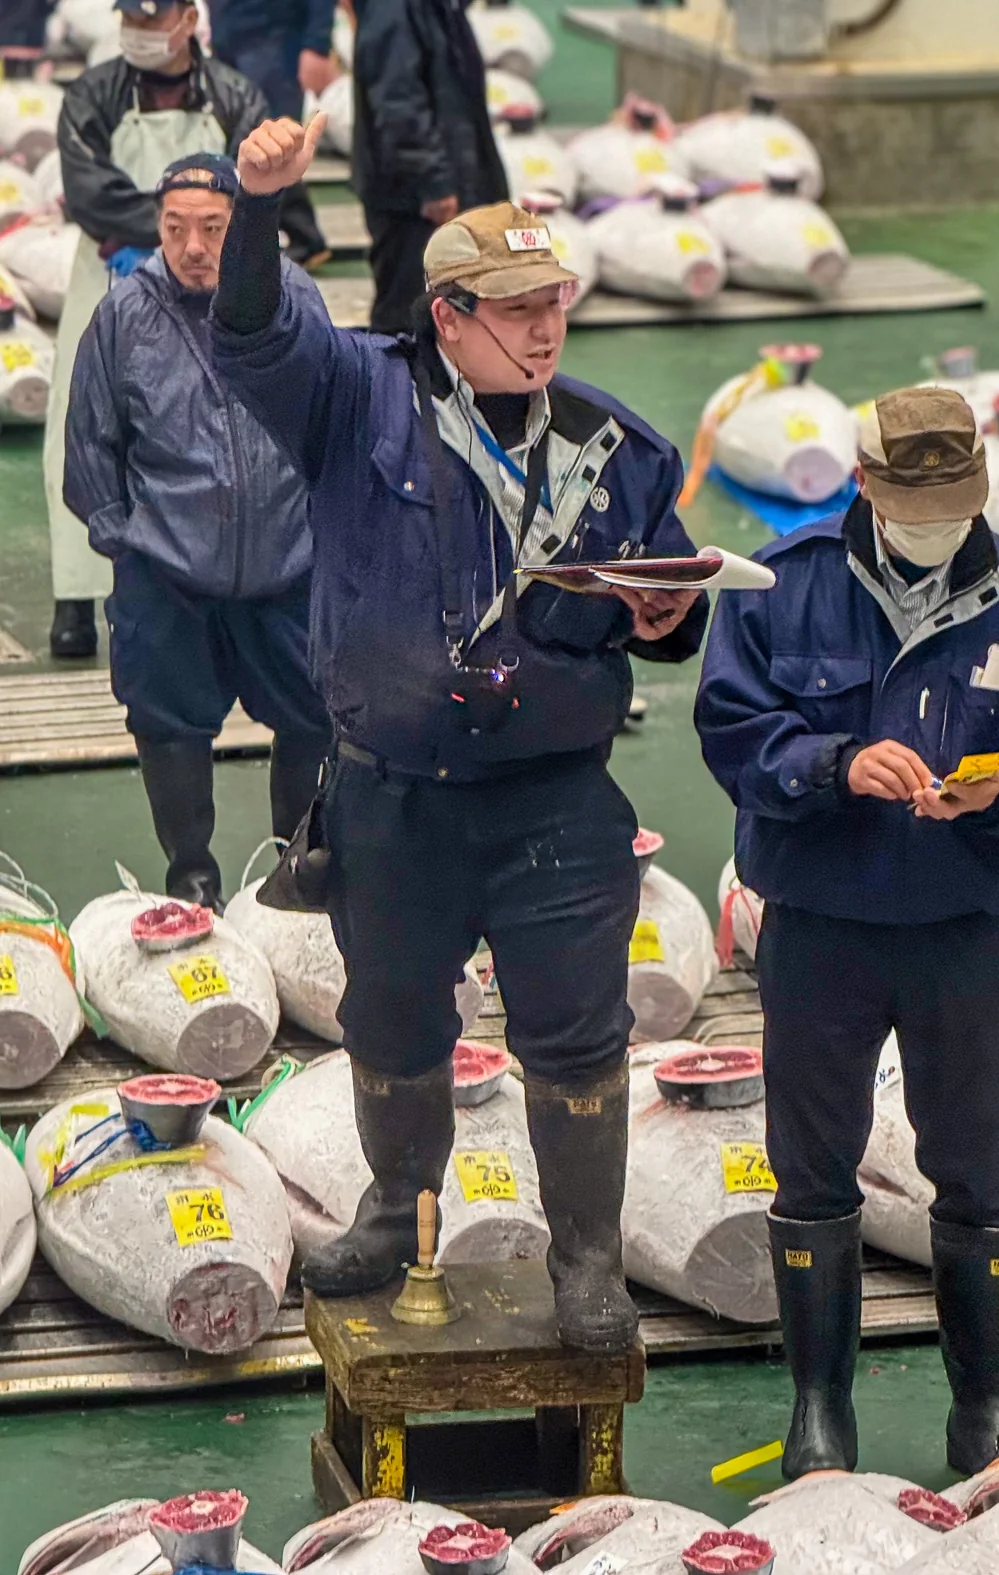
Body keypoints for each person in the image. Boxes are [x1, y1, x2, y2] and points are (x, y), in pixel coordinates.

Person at [210, 115, 708, 1353]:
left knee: (577, 1035)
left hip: (553, 804)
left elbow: (666, 620)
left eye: (555, 303)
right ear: (447, 317)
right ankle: (393, 1209)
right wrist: (260, 206)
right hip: (395, 795)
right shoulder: (350, 397)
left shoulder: (617, 449)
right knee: (390, 1019)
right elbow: (253, 335)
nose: (543, 328)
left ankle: (588, 1260)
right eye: (514, 307)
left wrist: (663, 619)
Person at [697, 386, 999, 1478]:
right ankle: (820, 1412)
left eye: (957, 502)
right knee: (812, 1170)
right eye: (918, 503)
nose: (941, 522)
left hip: (967, 927)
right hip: (821, 925)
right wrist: (832, 764)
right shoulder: (778, 586)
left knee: (977, 1171)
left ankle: (983, 1409)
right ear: (864, 485)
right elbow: (732, 731)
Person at [63, 153, 330, 912]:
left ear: (242, 227)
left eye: (213, 229)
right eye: (175, 228)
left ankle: (298, 861)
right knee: (168, 722)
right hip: (168, 578)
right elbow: (90, 445)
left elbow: (334, 416)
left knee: (315, 712)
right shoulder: (123, 314)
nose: (192, 247)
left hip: (289, 570)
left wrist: (322, 533)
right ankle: (192, 872)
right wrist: (131, 540)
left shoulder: (294, 299)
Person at [46, 0, 268, 662]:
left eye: (153, 20)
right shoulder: (91, 95)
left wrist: (189, 243)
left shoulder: (238, 96)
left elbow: (251, 188)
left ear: (189, 18)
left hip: (213, 283)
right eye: (131, 20)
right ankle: (76, 596)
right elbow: (89, 192)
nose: (140, 34)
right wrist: (173, 229)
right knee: (79, 423)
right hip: (109, 273)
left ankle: (208, 586)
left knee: (209, 430)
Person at [353, 0, 508, 336]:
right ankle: (391, 390)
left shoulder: (440, 8)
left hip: (446, 185)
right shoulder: (395, 10)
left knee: (452, 316)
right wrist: (432, 184)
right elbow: (398, 103)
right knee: (407, 320)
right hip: (414, 201)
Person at [207, 0, 335, 270]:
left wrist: (317, 44)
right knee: (244, 144)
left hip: (275, 41)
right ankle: (300, 237)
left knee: (274, 143)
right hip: (227, 37)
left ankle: (302, 238)